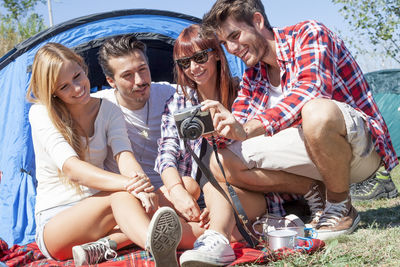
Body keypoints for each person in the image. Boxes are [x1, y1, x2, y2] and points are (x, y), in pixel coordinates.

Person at [200, 0, 399, 240]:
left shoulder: (309, 34)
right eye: (224, 43)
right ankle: (314, 192)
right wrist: (218, 130)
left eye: (235, 35)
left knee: (316, 112)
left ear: (258, 21)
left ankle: (340, 206)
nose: (231, 48)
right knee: (220, 160)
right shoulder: (253, 76)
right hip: (313, 158)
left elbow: (310, 90)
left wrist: (246, 128)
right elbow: (240, 125)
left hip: (358, 152)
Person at [27, 43, 182, 267]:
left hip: (102, 218)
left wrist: (142, 185)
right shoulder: (42, 112)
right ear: (53, 91)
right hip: (57, 223)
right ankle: (159, 250)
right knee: (120, 195)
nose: (77, 88)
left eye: (77, 76)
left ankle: (107, 245)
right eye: (64, 86)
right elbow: (72, 168)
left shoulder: (108, 110)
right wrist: (131, 186)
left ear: (83, 68)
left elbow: (124, 155)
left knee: (185, 188)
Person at [155, 24, 267, 266]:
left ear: (216, 53)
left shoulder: (242, 94)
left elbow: (262, 147)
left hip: (243, 193)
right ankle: (213, 234)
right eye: (185, 62)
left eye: (199, 57)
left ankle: (215, 238)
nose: (194, 68)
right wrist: (178, 193)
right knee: (172, 190)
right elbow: (166, 154)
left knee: (211, 188)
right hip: (198, 201)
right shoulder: (179, 102)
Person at [95, 34, 210, 248]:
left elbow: (209, 94)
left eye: (142, 69)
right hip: (128, 195)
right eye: (128, 75)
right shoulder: (99, 107)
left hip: (166, 192)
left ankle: (113, 241)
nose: (139, 81)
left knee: (190, 185)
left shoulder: (170, 94)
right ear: (111, 81)